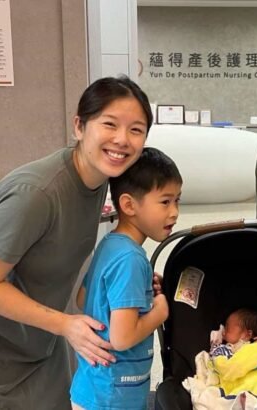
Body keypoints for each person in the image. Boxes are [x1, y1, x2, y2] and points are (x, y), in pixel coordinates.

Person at [0, 76, 153, 409]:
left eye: (136, 129)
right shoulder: (36, 194)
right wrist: (66, 325)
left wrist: (132, 282)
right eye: (110, 124)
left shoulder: (100, 179)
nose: (122, 139)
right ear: (79, 126)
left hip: (34, 323)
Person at [70, 147, 182, 409]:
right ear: (129, 205)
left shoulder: (110, 245)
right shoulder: (131, 259)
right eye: (165, 202)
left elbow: (83, 298)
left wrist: (138, 292)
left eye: (177, 200)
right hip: (113, 398)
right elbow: (122, 338)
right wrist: (159, 312)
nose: (175, 212)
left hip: (94, 388)